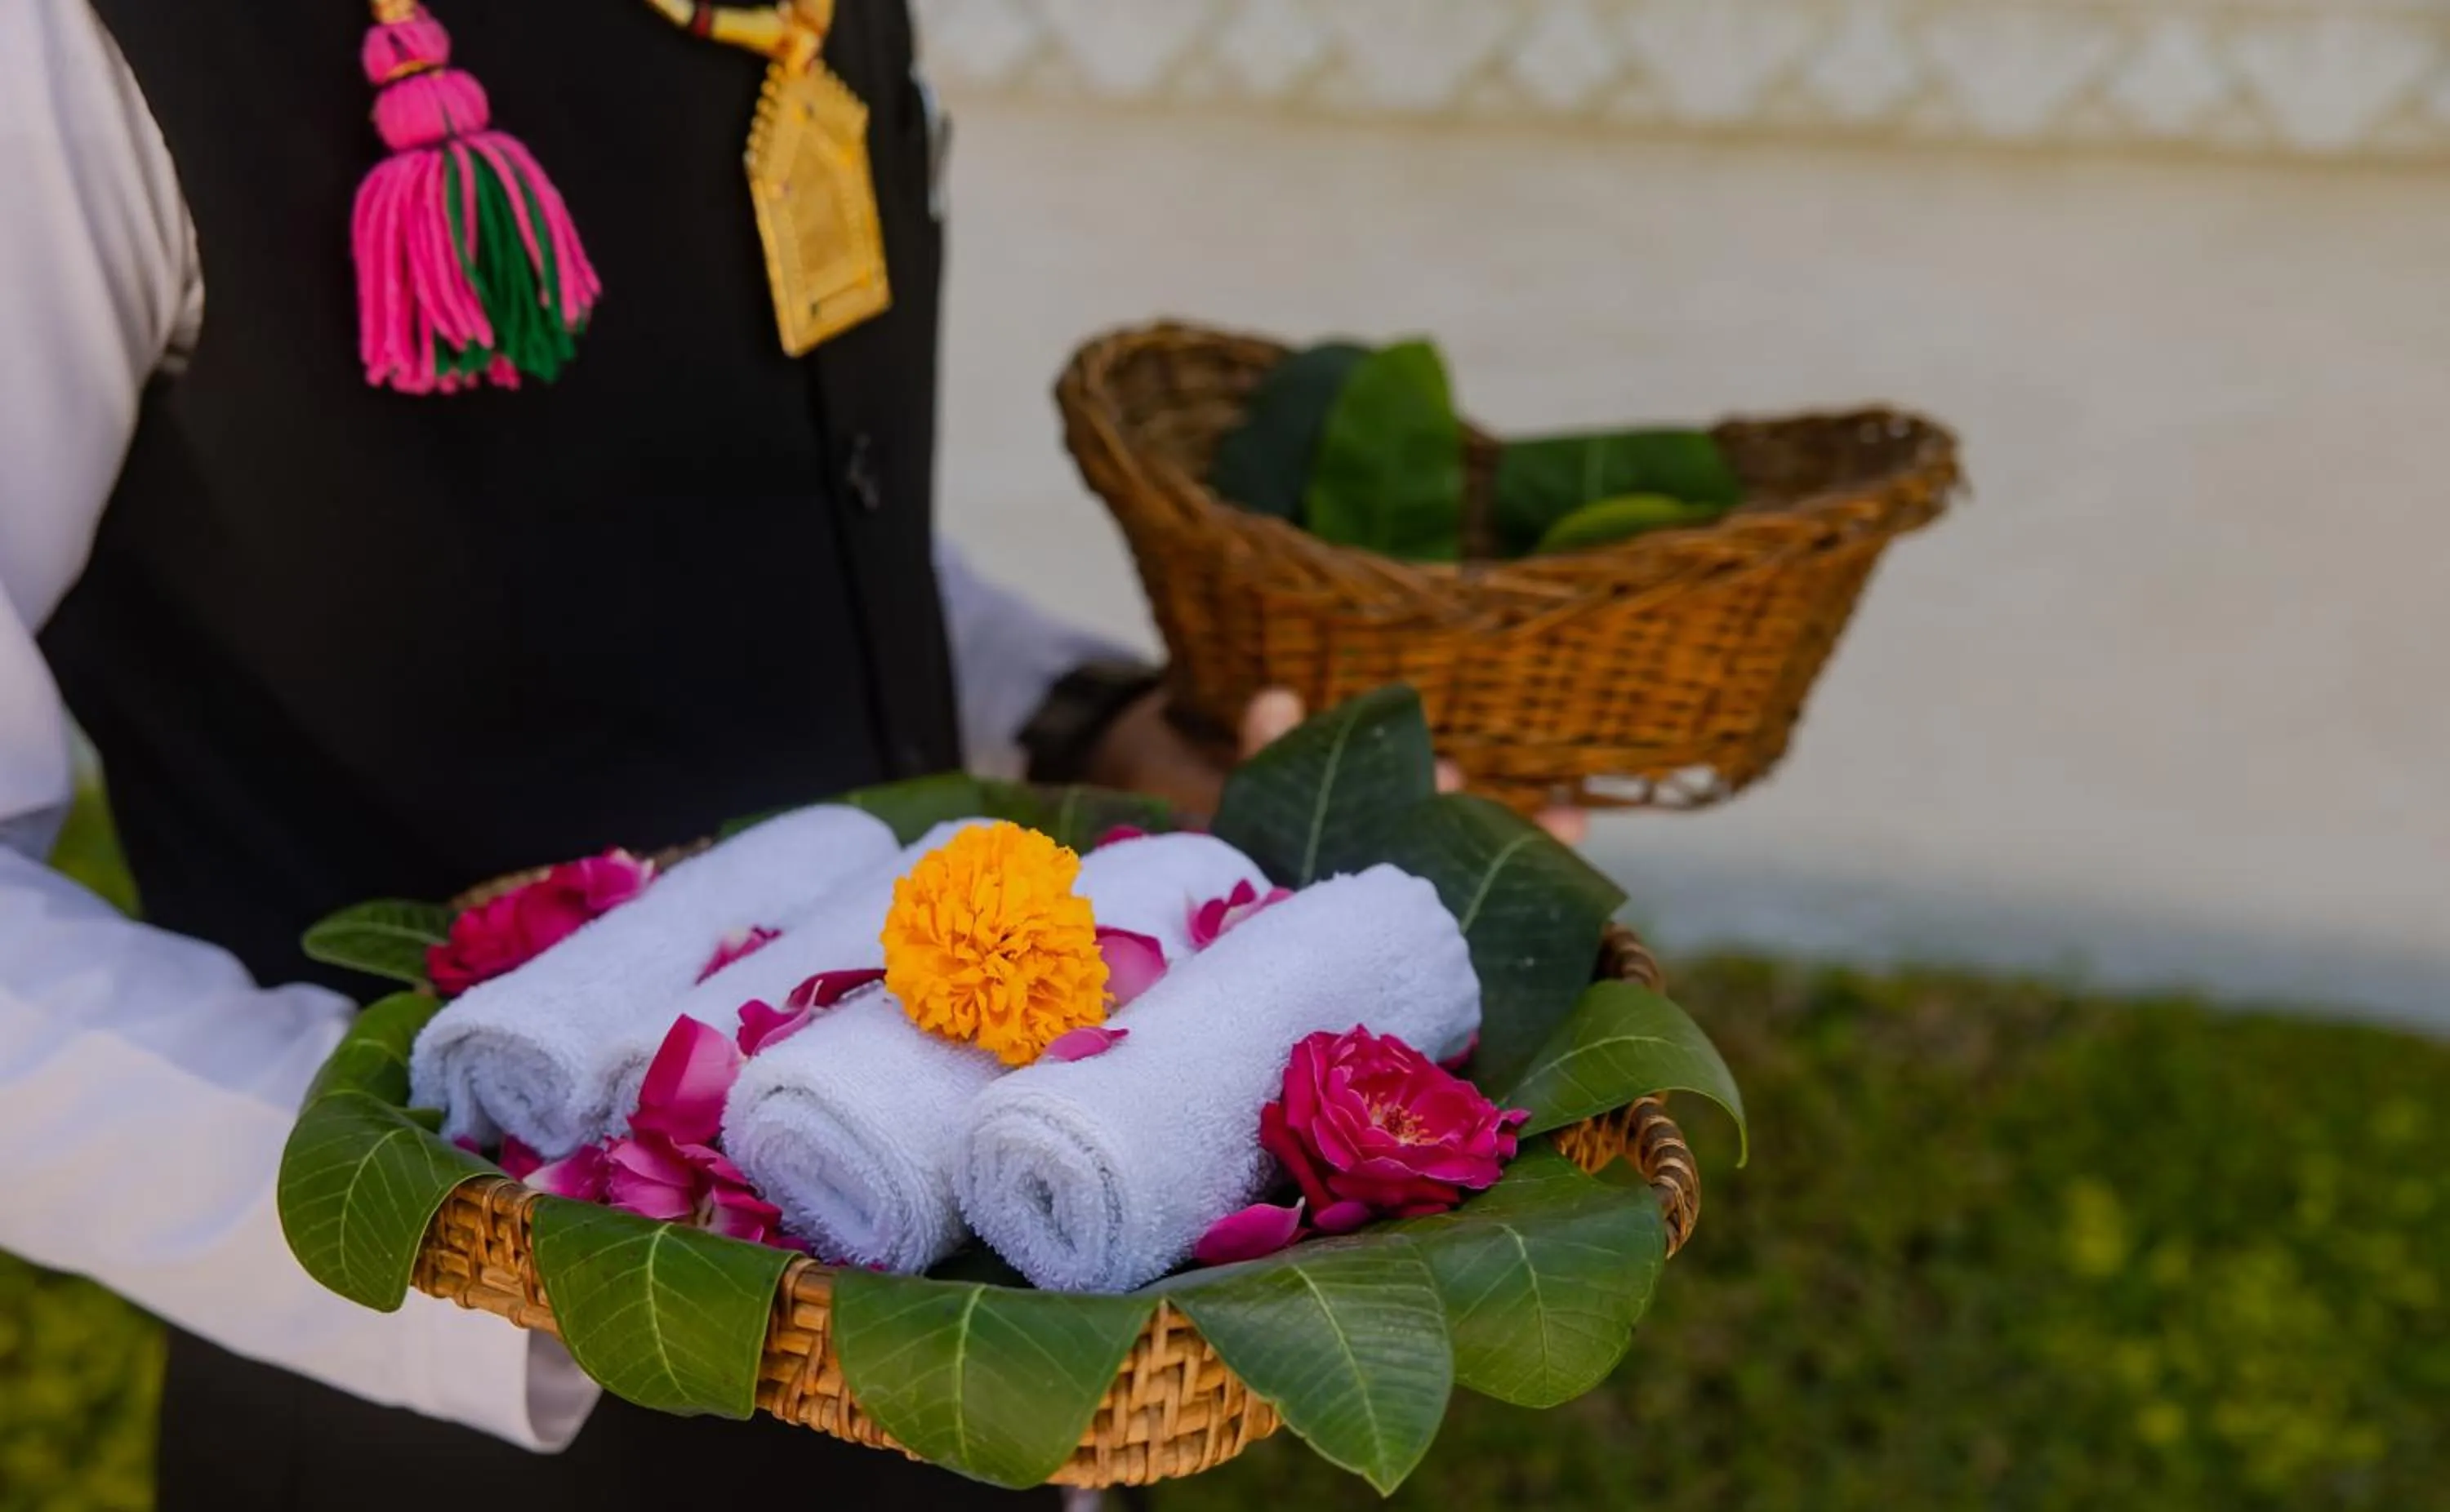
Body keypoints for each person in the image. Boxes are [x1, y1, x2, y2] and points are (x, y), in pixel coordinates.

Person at [0, 1, 1583, 1505]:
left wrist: (1087, 728)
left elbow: (765, 531)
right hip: (461, 1434)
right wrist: (534, 1233)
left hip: (989, 1304)